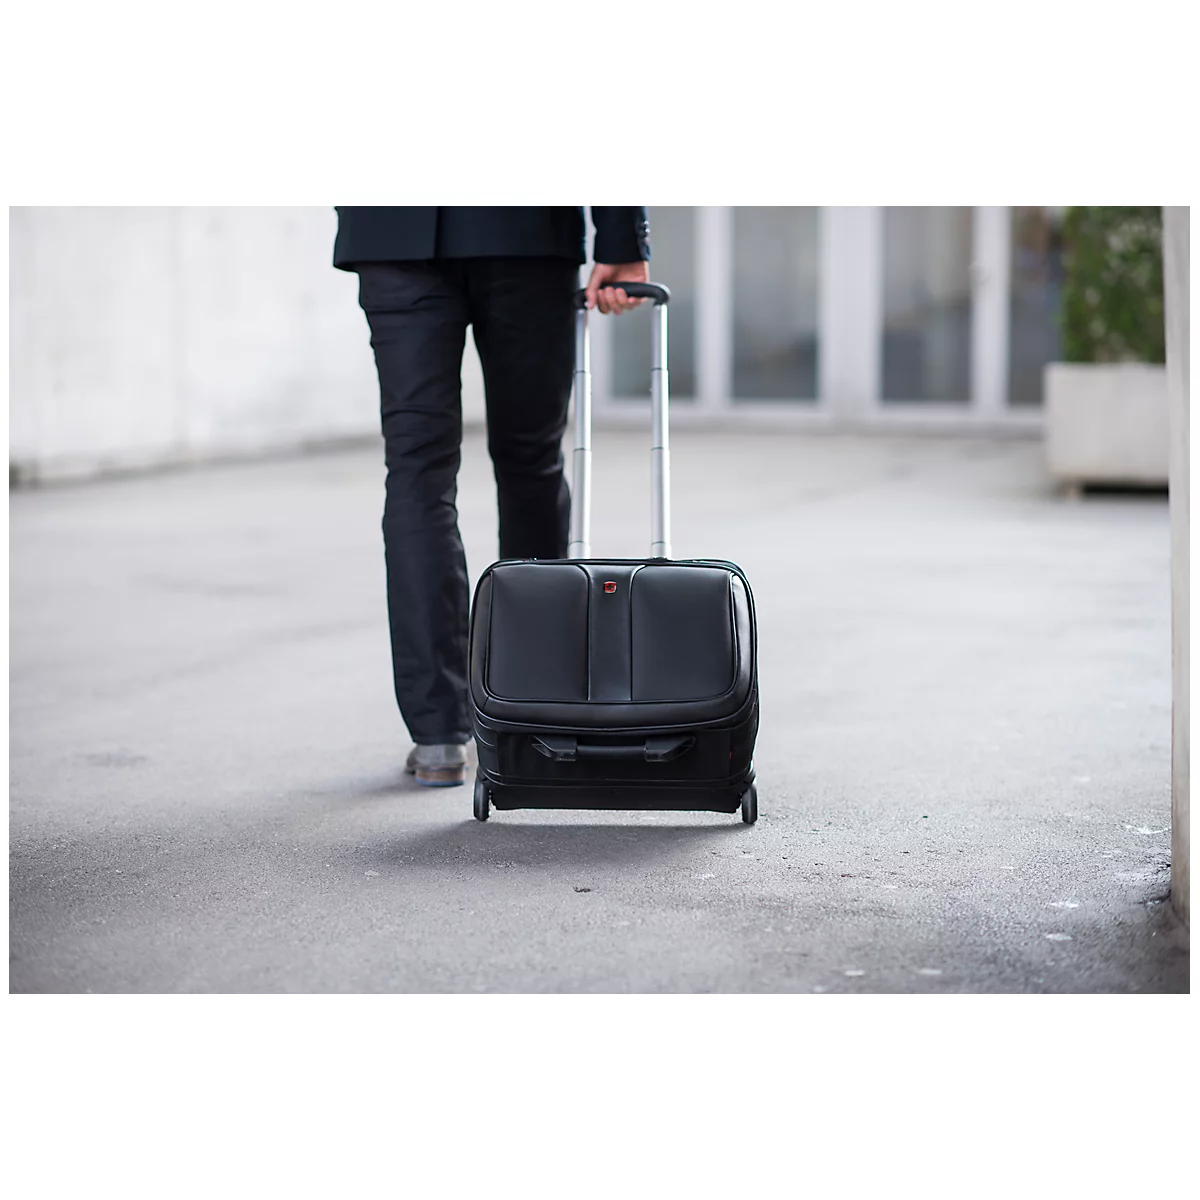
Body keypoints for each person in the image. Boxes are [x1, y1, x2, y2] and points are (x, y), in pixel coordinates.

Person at [334, 207, 652, 787]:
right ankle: (532, 714)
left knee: (416, 472)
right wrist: (622, 234)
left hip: (393, 234)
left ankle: (438, 735)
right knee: (530, 460)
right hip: (523, 230)